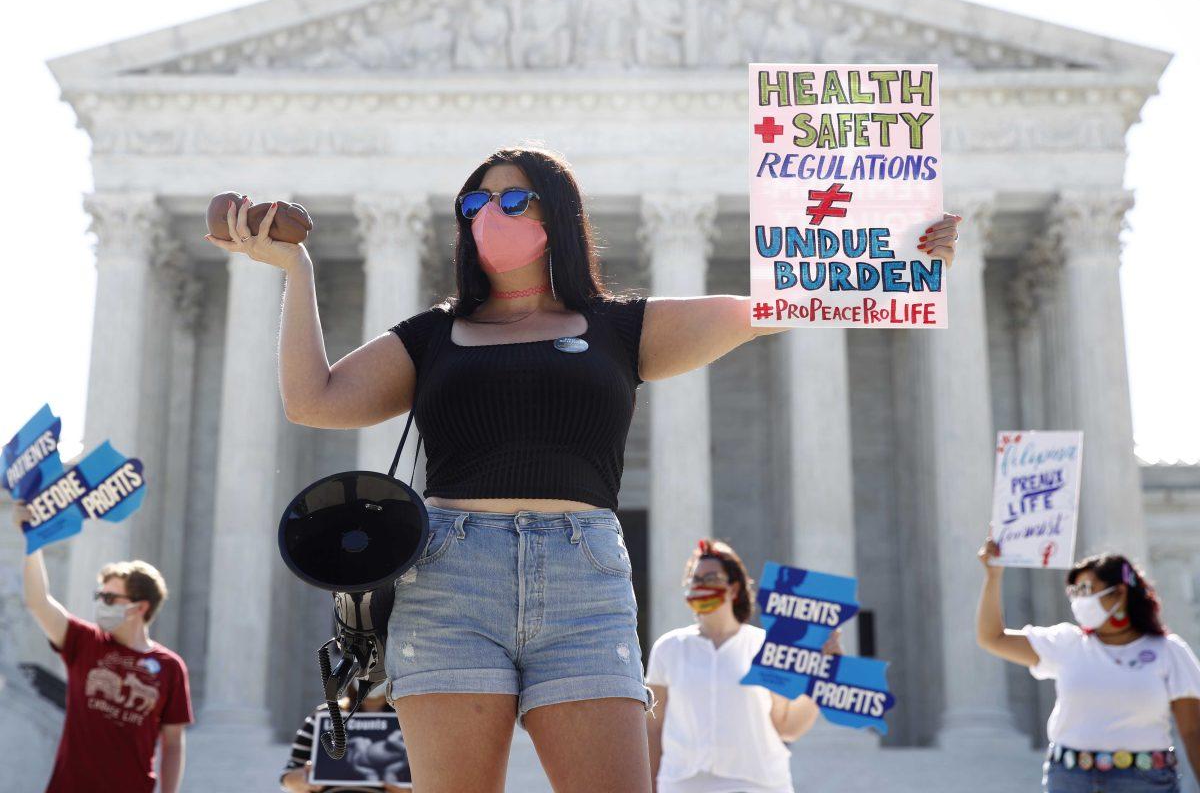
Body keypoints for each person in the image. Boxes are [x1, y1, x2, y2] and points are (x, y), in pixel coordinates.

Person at [204, 144, 960, 793]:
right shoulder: (433, 334)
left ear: (556, 213)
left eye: (511, 196)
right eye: (475, 199)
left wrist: (900, 257)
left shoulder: (621, 328)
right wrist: (294, 272)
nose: (487, 212)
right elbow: (315, 400)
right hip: (450, 579)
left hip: (582, 581)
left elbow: (775, 303)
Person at [976, 538, 1200, 792]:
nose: (1078, 599)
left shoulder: (1168, 651)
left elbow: (1193, 730)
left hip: (1144, 781)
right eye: (1074, 591)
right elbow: (992, 638)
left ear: (1120, 592)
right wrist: (993, 577)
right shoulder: (1067, 643)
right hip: (1071, 779)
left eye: (1085, 589)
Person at [12, 501, 193, 793]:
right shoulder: (83, 642)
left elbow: (173, 742)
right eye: (100, 595)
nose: (100, 604)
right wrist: (31, 542)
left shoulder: (170, 667)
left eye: (110, 598)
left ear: (140, 607)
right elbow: (38, 601)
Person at [646, 539, 841, 793]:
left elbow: (787, 726)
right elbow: (653, 729)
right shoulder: (668, 648)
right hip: (683, 785)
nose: (702, 585)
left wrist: (822, 676)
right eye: (696, 580)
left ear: (734, 588)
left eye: (712, 578)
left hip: (757, 784)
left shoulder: (764, 647)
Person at [280, 681, 410, 793]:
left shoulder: (411, 719)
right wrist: (305, 778)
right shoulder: (323, 716)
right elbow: (287, 777)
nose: (371, 674)